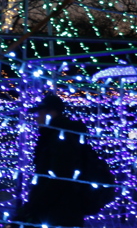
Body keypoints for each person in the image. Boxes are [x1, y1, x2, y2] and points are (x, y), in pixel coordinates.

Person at [10, 93, 92, 228]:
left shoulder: (60, 138)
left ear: (51, 113)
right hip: (62, 210)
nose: (36, 118)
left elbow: (57, 178)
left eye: (39, 113)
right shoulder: (57, 136)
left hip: (58, 212)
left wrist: (33, 207)